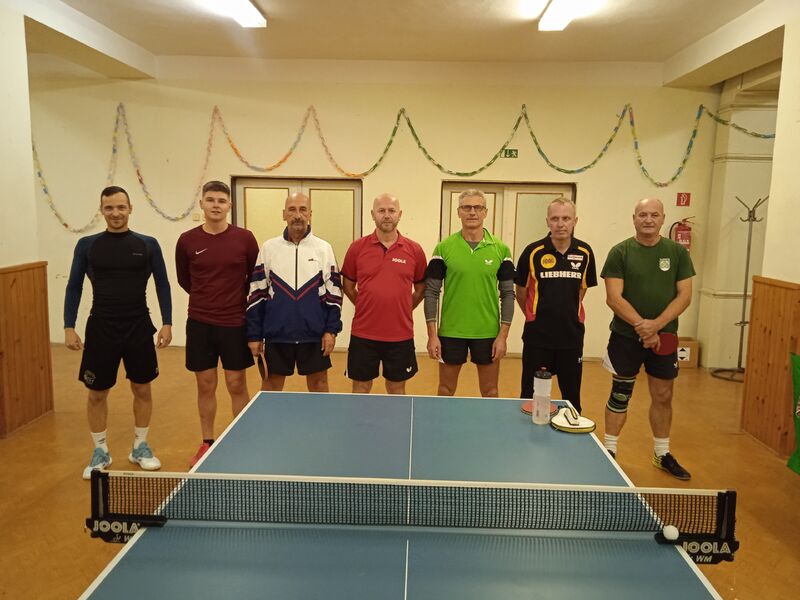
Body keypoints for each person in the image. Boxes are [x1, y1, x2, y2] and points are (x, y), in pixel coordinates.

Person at [64, 186, 172, 479]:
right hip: (101, 327)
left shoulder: (147, 244)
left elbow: (162, 283)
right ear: (102, 210)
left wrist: (167, 322)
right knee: (97, 393)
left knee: (142, 388)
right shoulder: (87, 246)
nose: (115, 213)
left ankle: (140, 447)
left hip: (138, 326)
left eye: (121, 207)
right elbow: (74, 285)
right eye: (109, 208)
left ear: (130, 208)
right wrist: (69, 326)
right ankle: (100, 450)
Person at [600, 197, 695, 480]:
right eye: (642, 214)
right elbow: (613, 298)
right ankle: (609, 451)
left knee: (663, 395)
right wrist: (643, 327)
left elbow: (685, 296)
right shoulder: (620, 252)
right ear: (634, 218)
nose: (648, 219)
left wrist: (657, 326)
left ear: (663, 218)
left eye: (654, 214)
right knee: (620, 393)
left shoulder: (677, 253)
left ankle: (662, 453)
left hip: (665, 337)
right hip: (625, 337)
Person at [175, 180, 259, 466]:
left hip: (234, 322)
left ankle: (243, 439)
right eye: (210, 200)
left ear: (229, 206)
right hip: (200, 323)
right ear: (201, 204)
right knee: (205, 384)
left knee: (236, 383)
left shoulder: (245, 239)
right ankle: (207, 442)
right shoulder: (187, 240)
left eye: (221, 201)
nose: (215, 205)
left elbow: (253, 278)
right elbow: (185, 280)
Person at [246, 192, 342, 392]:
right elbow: (256, 294)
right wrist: (254, 335)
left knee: (319, 385)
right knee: (271, 387)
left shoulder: (324, 248)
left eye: (303, 209)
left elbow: (334, 295)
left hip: (314, 336)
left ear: (310, 214)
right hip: (277, 335)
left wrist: (331, 331)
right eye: (292, 209)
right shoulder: (268, 248)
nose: (298, 215)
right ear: (284, 214)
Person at [424, 189, 514, 397]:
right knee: (445, 390)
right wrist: (432, 335)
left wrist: (502, 336)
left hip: (488, 334)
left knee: (490, 391)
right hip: (451, 333)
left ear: (485, 212)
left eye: (477, 207)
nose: (472, 212)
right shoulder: (443, 248)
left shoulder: (501, 249)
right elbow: (431, 293)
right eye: (466, 207)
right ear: (459, 212)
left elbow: (508, 294)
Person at [515, 197, 597, 413]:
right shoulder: (532, 252)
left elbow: (582, 289)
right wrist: (533, 315)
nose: (560, 224)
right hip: (537, 337)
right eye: (555, 219)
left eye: (566, 218)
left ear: (575, 221)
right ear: (547, 222)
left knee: (572, 397)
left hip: (571, 337)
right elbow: (521, 292)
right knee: (531, 396)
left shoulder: (585, 252)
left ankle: (571, 429)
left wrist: (568, 311)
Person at [340, 193, 427, 394]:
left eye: (391, 211)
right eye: (381, 211)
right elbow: (348, 286)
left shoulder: (414, 250)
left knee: (396, 388)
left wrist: (404, 307)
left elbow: (421, 289)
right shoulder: (357, 248)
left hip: (400, 334)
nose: (386, 215)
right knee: (361, 387)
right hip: (363, 333)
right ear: (373, 214)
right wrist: (364, 304)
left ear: (399, 214)